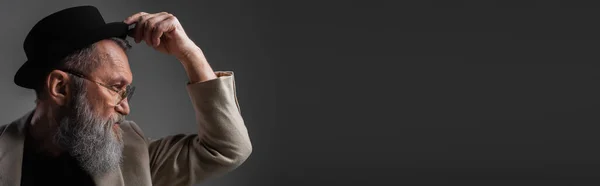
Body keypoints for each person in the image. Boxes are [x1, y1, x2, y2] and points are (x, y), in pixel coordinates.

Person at [0, 5, 252, 186]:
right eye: (114, 87)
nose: (125, 107)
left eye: (126, 91)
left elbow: (227, 149)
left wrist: (189, 54)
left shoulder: (133, 152)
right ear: (60, 88)